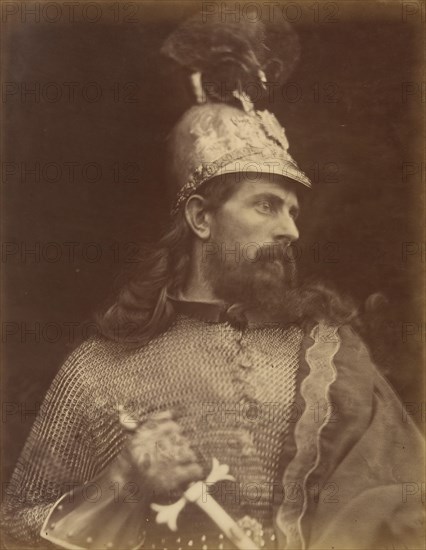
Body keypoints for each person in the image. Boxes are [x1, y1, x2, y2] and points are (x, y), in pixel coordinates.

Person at [2, 12, 424, 550]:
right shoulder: (97, 372)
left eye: (293, 211)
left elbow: (409, 510)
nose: (290, 229)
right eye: (267, 206)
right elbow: (15, 533)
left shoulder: (333, 358)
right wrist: (119, 487)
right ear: (202, 219)